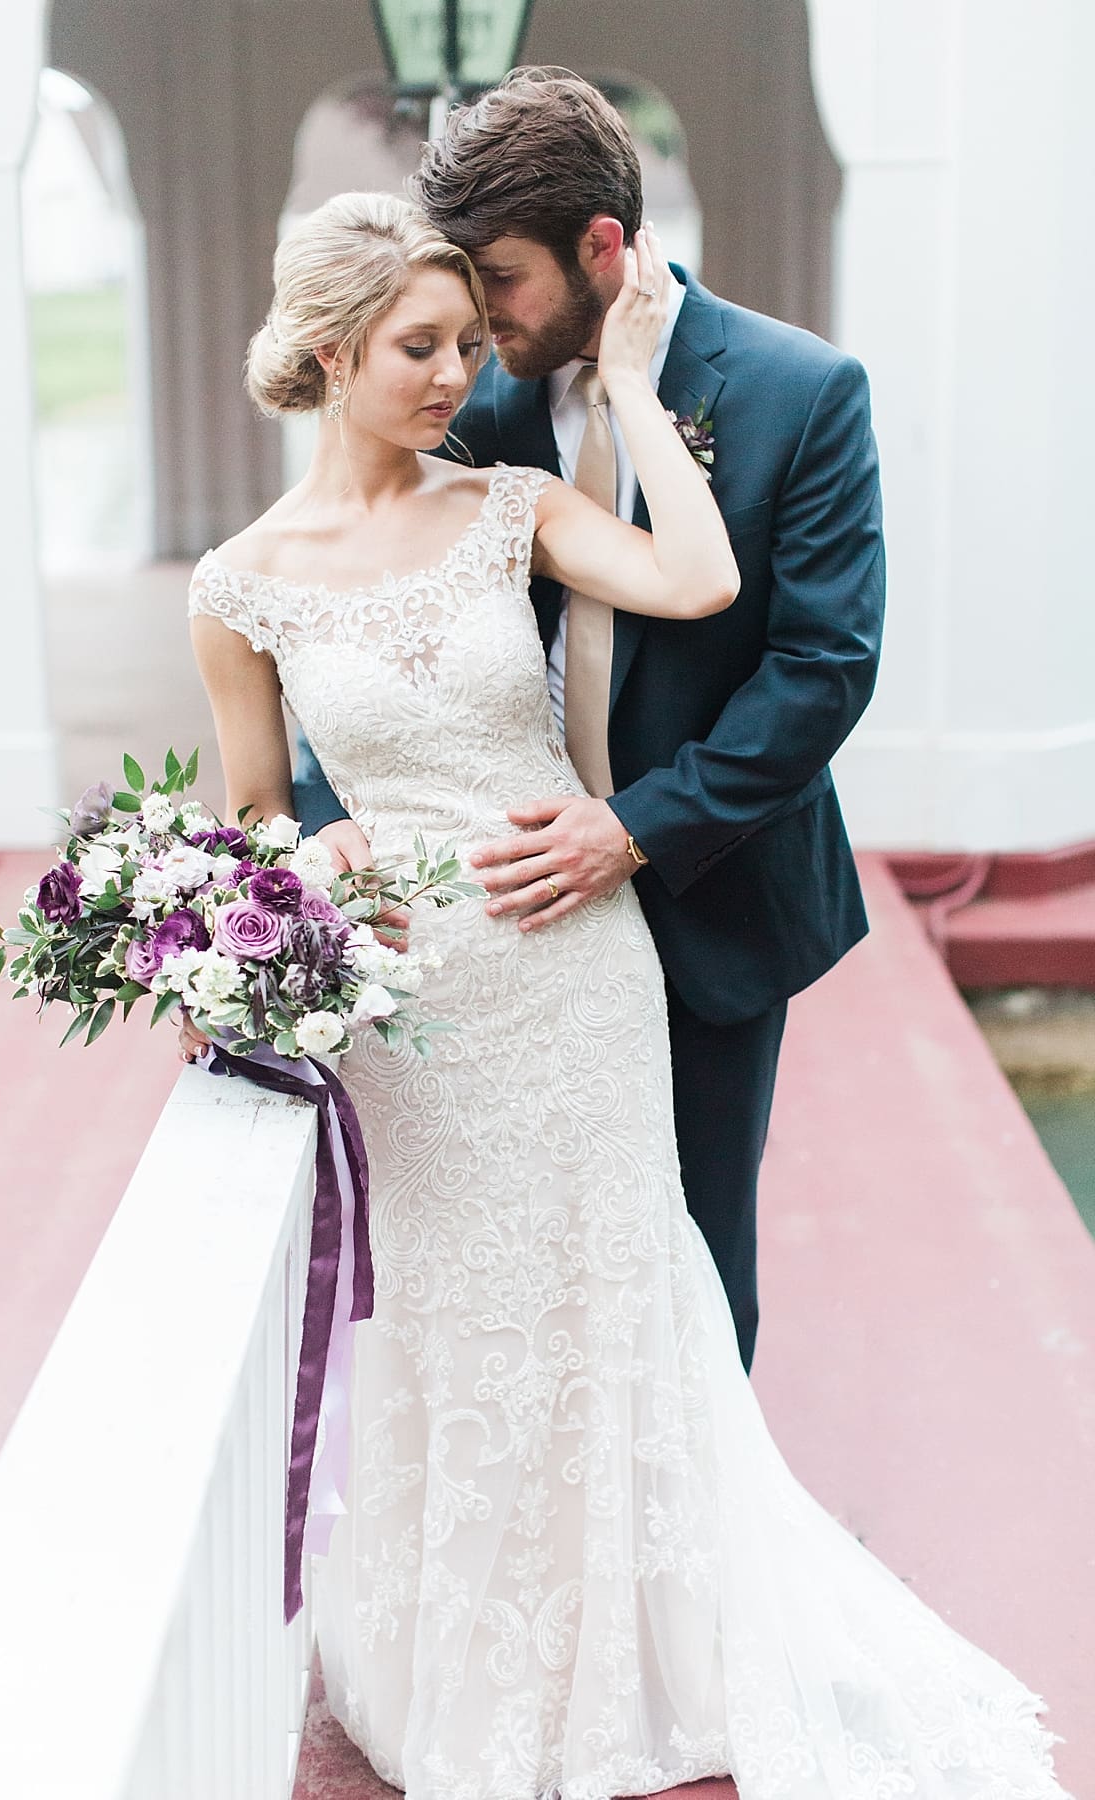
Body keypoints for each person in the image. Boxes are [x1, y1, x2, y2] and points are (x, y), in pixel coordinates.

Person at [181, 189, 1066, 1800]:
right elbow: (255, 813)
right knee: (453, 1321)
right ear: (331, 354)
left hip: (570, 965)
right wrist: (323, 860)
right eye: (424, 346)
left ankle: (642, 1648)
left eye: (470, 335)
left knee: (613, 1292)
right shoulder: (240, 586)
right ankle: (483, 1650)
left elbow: (707, 585)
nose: (464, 370)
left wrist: (644, 394)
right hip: (414, 1008)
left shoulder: (514, 498)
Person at [295, 71, 884, 1375]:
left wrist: (631, 830)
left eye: (499, 281)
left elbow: (823, 671)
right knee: (520, 1257)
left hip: (709, 888)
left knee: (694, 1256)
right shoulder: (478, 405)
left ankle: (700, 1561)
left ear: (601, 249)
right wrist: (331, 831)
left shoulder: (805, 392)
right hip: (498, 918)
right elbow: (360, 628)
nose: (473, 325)